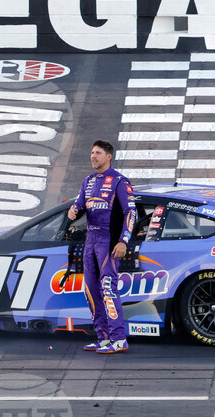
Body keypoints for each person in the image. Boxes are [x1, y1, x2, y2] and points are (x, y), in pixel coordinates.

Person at [67, 140, 137, 354]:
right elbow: (79, 205)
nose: (93, 156)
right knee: (90, 290)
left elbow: (131, 213)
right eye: (91, 152)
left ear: (109, 156)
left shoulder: (119, 181)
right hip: (91, 241)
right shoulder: (87, 180)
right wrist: (72, 211)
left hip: (109, 242)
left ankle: (119, 339)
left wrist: (123, 241)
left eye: (97, 153)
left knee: (108, 288)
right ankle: (103, 337)